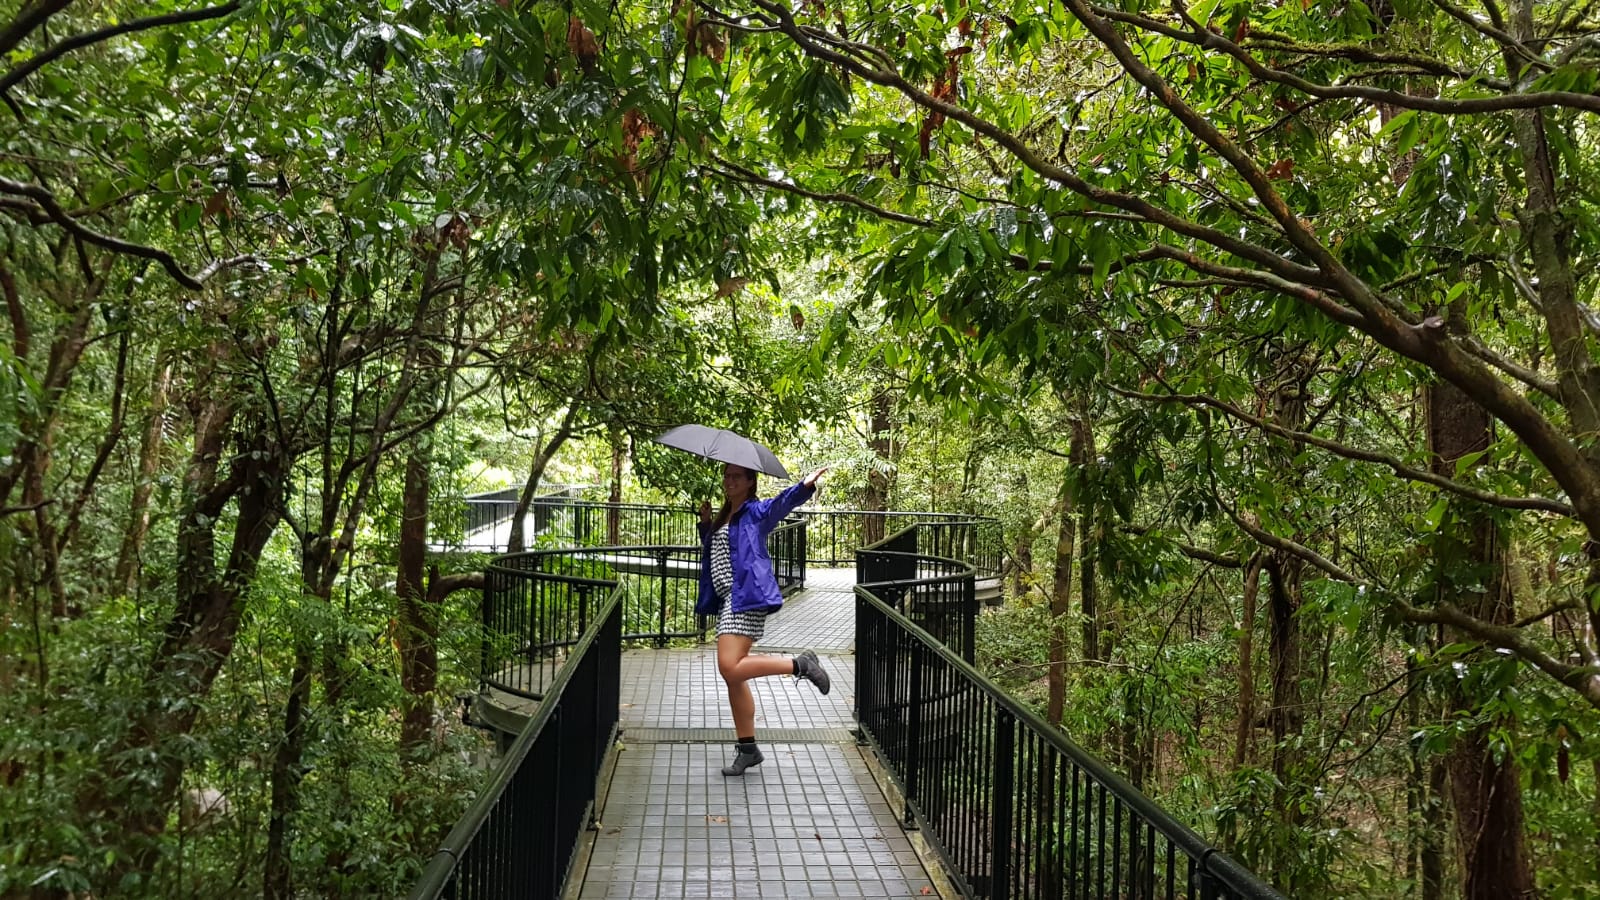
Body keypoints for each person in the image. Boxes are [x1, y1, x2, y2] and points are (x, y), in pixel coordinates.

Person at [696, 462, 830, 776]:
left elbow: (781, 504)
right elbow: (717, 552)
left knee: (729, 666)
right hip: (728, 598)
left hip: (745, 596)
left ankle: (800, 664)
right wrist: (706, 524)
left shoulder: (755, 513)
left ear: (750, 482)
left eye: (736, 476)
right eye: (726, 476)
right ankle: (748, 748)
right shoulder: (724, 516)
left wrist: (805, 485)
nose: (729, 481)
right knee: (734, 677)